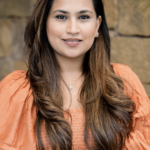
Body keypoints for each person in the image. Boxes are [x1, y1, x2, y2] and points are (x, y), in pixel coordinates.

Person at [0, 0, 150, 149]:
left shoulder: (123, 81)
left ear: (97, 24)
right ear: (44, 22)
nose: (73, 29)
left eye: (83, 17)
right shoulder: (15, 90)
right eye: (61, 17)